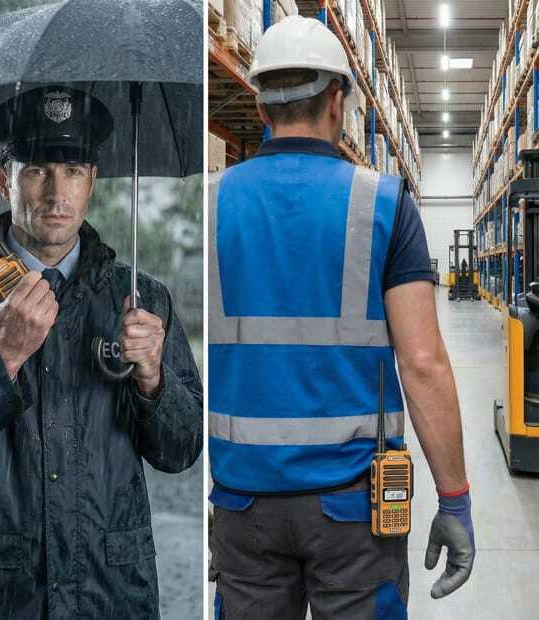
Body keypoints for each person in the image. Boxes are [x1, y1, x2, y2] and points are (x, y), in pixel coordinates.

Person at [0, 86, 203, 618]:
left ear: (93, 181)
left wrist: (152, 378)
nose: (57, 193)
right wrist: (1, 357)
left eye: (74, 170)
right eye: (36, 170)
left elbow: (182, 449)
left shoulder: (142, 299)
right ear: (2, 179)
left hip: (111, 595)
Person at [208, 15, 474, 618]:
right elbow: (423, 362)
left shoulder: (213, 201)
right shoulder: (384, 202)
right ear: (338, 100)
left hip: (242, 503)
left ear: (260, 101)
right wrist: (454, 499)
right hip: (354, 511)